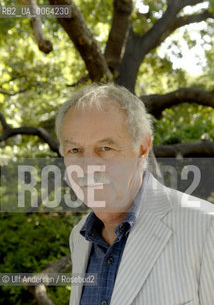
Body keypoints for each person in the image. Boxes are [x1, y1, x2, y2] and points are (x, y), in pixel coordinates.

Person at [55, 83, 214, 305]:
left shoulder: (206, 227)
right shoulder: (79, 238)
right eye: (75, 150)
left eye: (106, 148)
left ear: (142, 147)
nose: (88, 166)